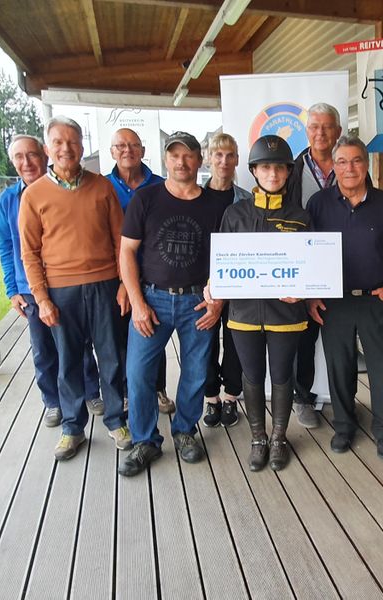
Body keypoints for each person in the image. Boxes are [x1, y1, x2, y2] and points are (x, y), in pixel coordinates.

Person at [19, 117, 131, 460]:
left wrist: (125, 285)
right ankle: (72, 427)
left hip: (104, 286)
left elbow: (120, 241)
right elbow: (29, 252)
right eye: (58, 142)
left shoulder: (102, 187)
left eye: (73, 141)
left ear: (82, 146)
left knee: (111, 356)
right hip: (60, 293)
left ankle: (115, 419)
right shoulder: (34, 194)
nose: (66, 148)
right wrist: (41, 299)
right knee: (67, 362)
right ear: (48, 147)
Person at [117, 132, 225, 477]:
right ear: (166, 160)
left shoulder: (215, 205)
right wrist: (138, 302)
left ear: (200, 160)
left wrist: (218, 301)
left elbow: (225, 258)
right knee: (138, 373)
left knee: (195, 372)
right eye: (174, 155)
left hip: (198, 300)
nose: (181, 162)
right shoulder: (146, 199)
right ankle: (145, 439)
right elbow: (127, 252)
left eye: (189, 155)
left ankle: (185, 431)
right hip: (153, 299)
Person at [210, 135, 310, 471]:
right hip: (244, 314)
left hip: (286, 315)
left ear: (287, 173)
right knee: (252, 376)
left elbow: (311, 266)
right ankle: (258, 438)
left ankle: (280, 437)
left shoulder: (300, 216)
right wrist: (213, 285)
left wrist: (305, 290)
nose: (272, 173)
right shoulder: (234, 214)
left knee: (282, 376)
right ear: (253, 170)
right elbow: (221, 261)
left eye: (279, 167)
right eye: (265, 167)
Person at [307, 135, 383, 460]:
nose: (349, 168)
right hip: (333, 301)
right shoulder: (319, 204)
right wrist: (311, 298)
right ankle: (344, 426)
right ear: (333, 167)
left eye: (355, 161)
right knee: (340, 367)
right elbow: (306, 254)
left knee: (382, 367)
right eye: (342, 161)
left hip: (375, 299)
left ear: (366, 165)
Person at [0, 135, 102, 427]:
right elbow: (7, 247)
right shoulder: (9, 200)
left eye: (31, 155)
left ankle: (90, 392)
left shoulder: (70, 191)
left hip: (66, 281)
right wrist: (11, 289)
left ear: (44, 156)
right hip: (30, 287)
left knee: (79, 344)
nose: (27, 162)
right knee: (43, 348)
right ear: (13, 162)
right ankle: (53, 402)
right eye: (19, 157)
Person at [106, 127, 174, 415]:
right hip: (113, 275)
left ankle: (157, 389)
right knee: (120, 337)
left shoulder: (161, 186)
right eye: (120, 145)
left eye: (133, 145)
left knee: (152, 333)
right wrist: (122, 281)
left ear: (143, 151)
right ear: (112, 151)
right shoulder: (102, 186)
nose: (127, 150)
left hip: (152, 277)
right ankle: (125, 393)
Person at [286, 102, 343, 428]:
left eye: (326, 127)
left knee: (339, 336)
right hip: (303, 265)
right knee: (303, 340)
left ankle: (342, 397)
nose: (320, 133)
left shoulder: (351, 164)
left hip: (344, 265)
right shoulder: (291, 170)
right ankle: (302, 398)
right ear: (306, 131)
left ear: (337, 130)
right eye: (314, 126)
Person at [200, 133, 251, 429]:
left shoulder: (246, 199)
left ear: (237, 160)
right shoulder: (195, 196)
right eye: (218, 155)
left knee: (235, 344)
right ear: (208, 158)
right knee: (205, 344)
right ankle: (212, 398)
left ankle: (231, 397)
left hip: (239, 284)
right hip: (203, 286)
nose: (224, 161)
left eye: (230, 155)